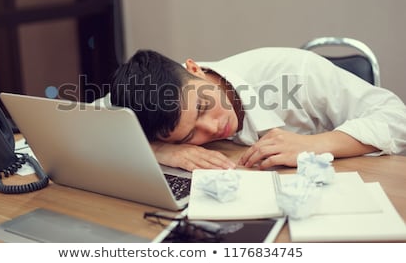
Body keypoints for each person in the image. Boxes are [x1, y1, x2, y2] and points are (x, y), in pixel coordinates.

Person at [108, 47, 406, 172]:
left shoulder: (294, 72)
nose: (211, 129)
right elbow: (91, 118)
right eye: (188, 136)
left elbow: (396, 117)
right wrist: (160, 150)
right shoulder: (154, 111)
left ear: (195, 69)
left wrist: (313, 144)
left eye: (202, 107)